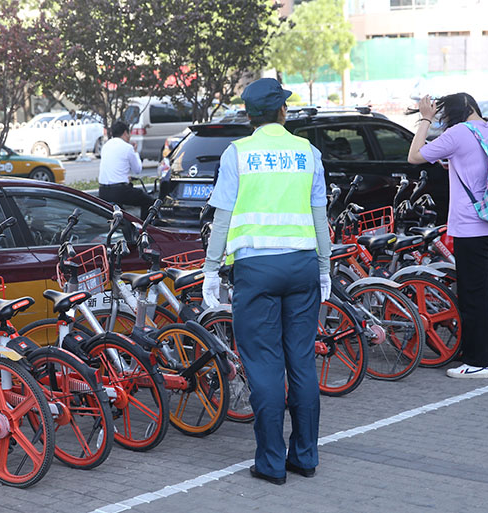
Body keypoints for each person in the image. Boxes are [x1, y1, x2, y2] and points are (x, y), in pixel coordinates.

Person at [201, 78, 331, 484]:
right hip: (303, 266)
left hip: (256, 272)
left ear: (249, 115)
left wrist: (210, 268)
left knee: (264, 366)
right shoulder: (308, 153)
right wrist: (325, 268)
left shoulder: (237, 154)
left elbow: (221, 218)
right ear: (282, 112)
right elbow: (319, 219)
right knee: (302, 362)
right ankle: (305, 457)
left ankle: (272, 463)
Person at [407, 93, 488, 378]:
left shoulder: (458, 134)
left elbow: (415, 155)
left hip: (472, 226)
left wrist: (425, 119)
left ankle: (476, 362)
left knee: (474, 294)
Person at [98, 120, 153, 219]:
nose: (130, 136)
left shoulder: (105, 146)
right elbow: (137, 170)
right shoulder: (128, 147)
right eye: (129, 133)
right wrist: (135, 152)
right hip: (119, 192)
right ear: (125, 133)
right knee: (148, 201)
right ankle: (145, 229)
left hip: (103, 191)